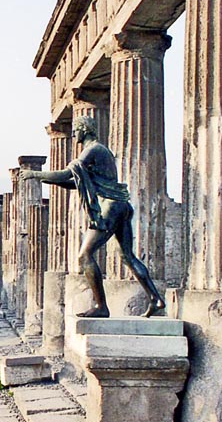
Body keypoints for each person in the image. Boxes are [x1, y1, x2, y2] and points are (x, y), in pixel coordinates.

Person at [20, 116, 165, 318]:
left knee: (84, 256)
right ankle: (156, 299)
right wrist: (48, 180)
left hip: (110, 207)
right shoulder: (100, 151)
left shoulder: (93, 149)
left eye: (75, 129)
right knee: (127, 256)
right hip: (121, 205)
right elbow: (76, 183)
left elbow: (65, 175)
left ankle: (101, 306)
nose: (72, 134)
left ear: (84, 129)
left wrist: (35, 175)